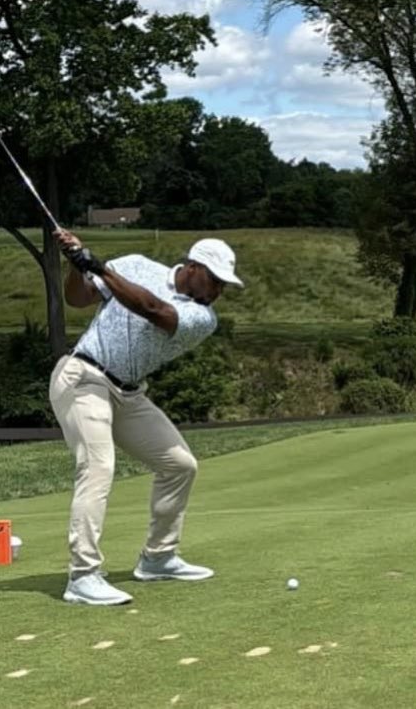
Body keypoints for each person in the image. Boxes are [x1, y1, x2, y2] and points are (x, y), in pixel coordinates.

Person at [49, 229, 243, 606]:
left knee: (180, 465)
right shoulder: (136, 265)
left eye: (223, 285)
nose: (218, 292)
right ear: (192, 266)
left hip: (127, 393)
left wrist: (100, 268)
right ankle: (83, 575)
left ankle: (158, 558)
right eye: (215, 281)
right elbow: (77, 298)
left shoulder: (202, 317)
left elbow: (155, 310)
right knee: (98, 466)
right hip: (83, 377)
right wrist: (77, 266)